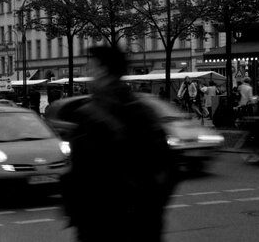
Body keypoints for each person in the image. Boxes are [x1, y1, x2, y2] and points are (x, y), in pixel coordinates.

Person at [62, 46, 178, 242]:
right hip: (143, 224)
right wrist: (151, 210)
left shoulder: (89, 116)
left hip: (101, 226)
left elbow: (81, 176)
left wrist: (79, 214)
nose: (89, 73)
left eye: (91, 68)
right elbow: (167, 169)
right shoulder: (145, 112)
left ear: (103, 70)